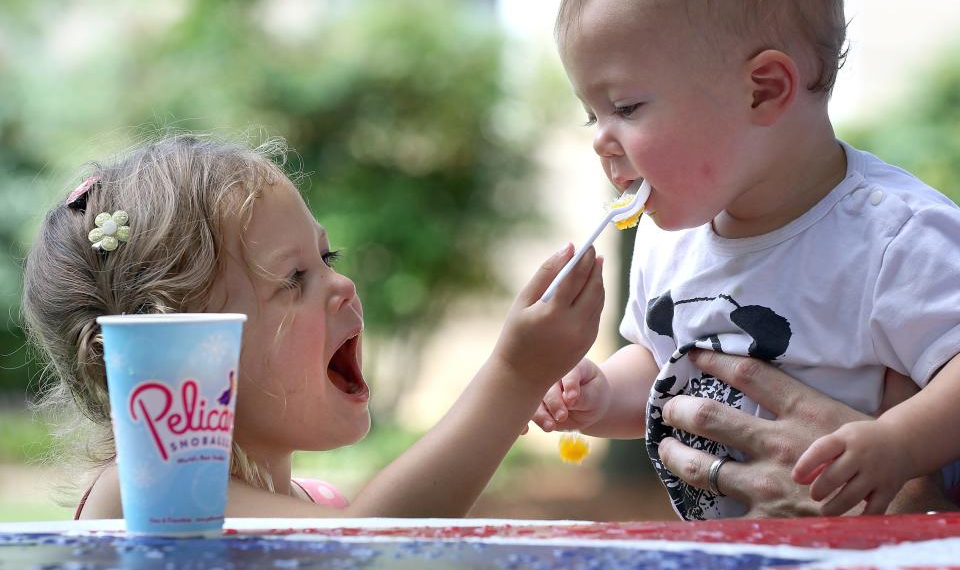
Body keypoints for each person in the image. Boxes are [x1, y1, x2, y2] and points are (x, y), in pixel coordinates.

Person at [531, 0, 960, 520]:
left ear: (763, 90)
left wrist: (897, 444)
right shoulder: (667, 238)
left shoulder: (896, 237)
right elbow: (662, 367)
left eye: (625, 107)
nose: (600, 138)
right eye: (590, 113)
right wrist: (599, 396)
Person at [22, 133, 605, 519]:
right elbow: (367, 547)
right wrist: (514, 375)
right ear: (174, 347)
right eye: (293, 278)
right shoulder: (143, 496)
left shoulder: (322, 507)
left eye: (327, 260)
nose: (342, 286)